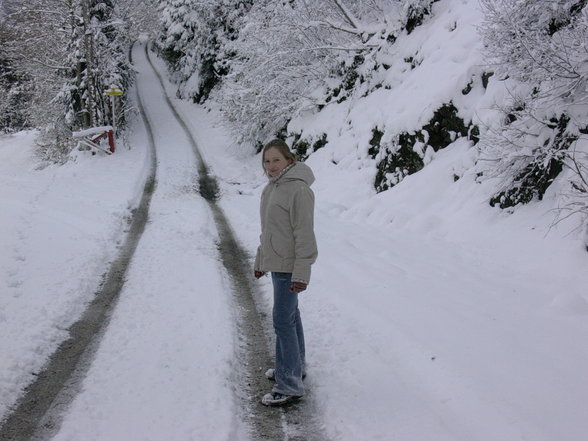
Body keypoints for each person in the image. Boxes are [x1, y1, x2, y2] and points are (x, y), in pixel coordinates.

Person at [254, 138, 318, 407]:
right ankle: (294, 368)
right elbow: (269, 231)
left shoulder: (298, 191)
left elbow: (304, 234)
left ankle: (290, 383)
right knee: (290, 317)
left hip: (290, 266)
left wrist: (301, 273)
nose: (270, 166)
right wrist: (261, 260)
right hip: (277, 264)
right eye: (267, 161)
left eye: (276, 160)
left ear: (289, 160)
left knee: (282, 320)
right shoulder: (272, 188)